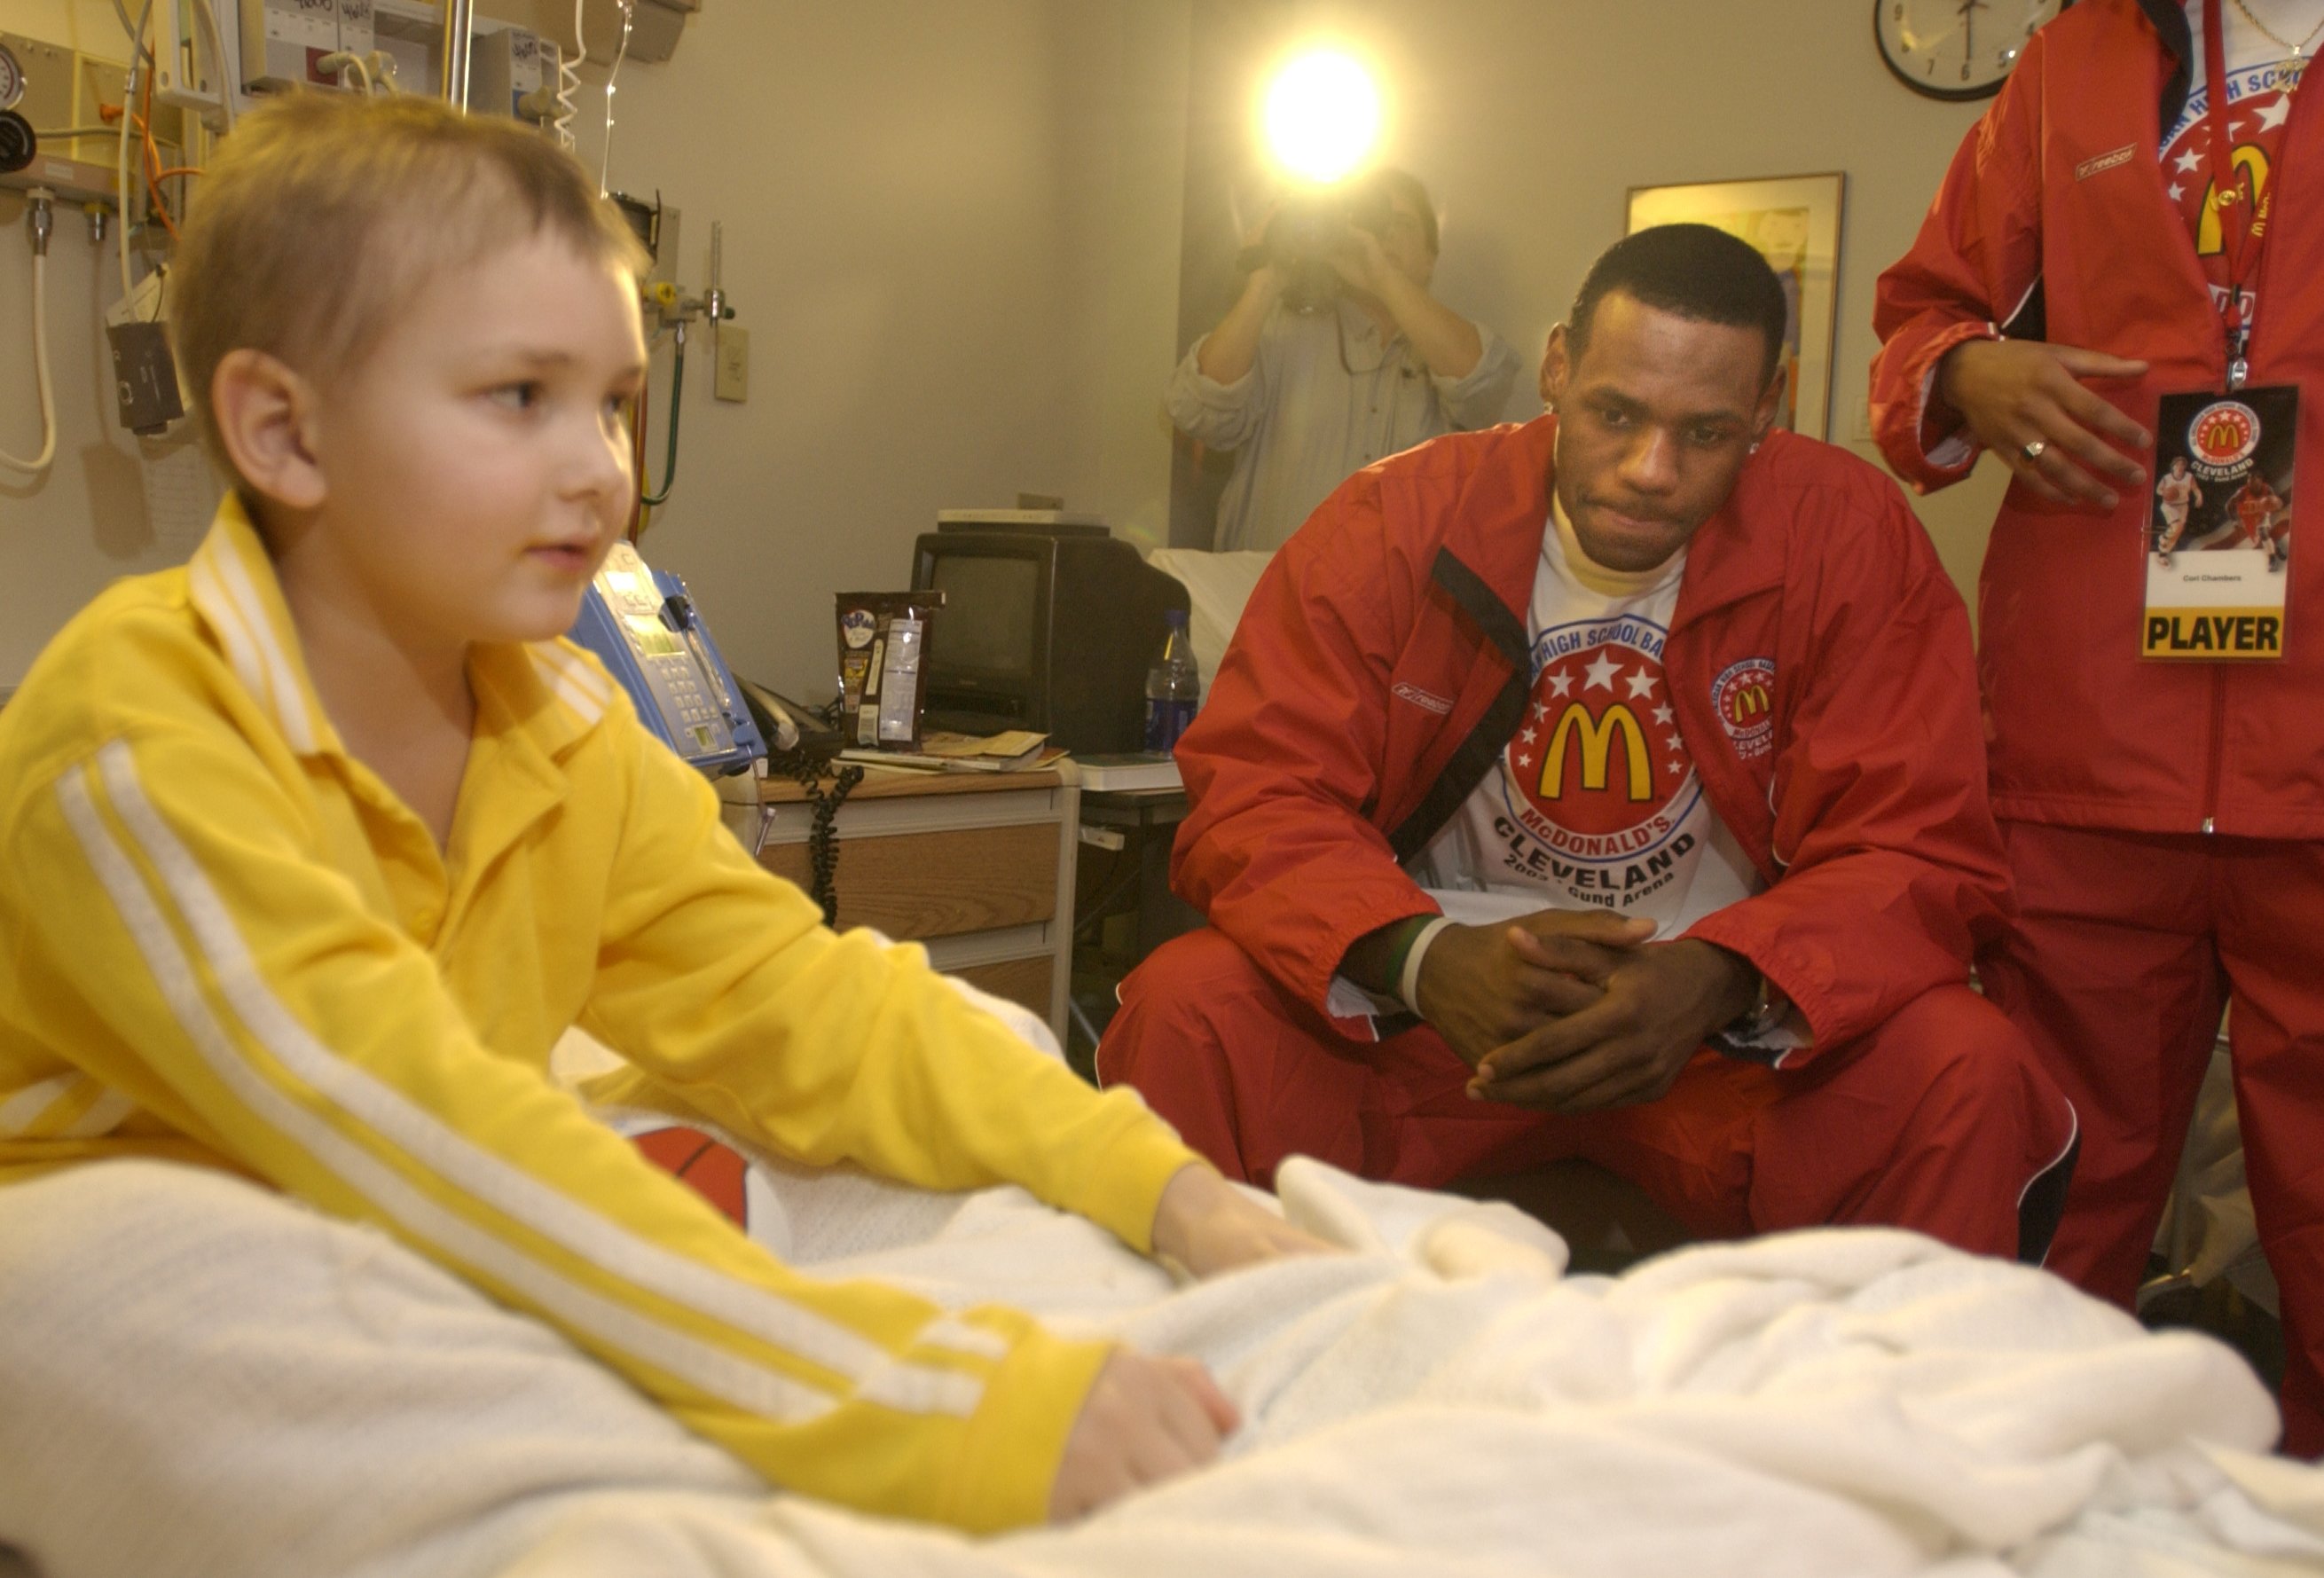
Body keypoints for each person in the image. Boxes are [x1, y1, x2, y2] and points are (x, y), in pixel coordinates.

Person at [0, 91, 1324, 1554]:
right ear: (282, 430)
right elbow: (424, 1136)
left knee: (983, 1061)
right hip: (110, 1210)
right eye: (521, 396)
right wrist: (937, 1406)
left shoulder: (563, 721)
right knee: (199, 1270)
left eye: (616, 401)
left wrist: (1171, 1190)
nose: (602, 470)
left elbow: (802, 999)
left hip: (404, 1192)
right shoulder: (134, 737)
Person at [1102, 224, 2078, 1265]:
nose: (1650, 470)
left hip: (1715, 1036)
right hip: (1433, 1018)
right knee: (1188, 1007)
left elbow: (1918, 846)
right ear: (1559, 368)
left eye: (1705, 434)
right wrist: (1419, 958)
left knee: (1963, 1065)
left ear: (1768, 407)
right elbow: (1256, 793)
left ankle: (1876, 1419)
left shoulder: (1844, 536)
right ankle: (1194, 1393)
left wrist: (1721, 977)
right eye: (1615, 413)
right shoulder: (1394, 517)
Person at [1871, 0, 2324, 1456]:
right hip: (2088, 733)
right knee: (2059, 1191)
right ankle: (2031, 1508)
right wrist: (1964, 371)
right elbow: (1920, 315)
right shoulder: (2076, 58)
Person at [1165, 166, 1522, 553]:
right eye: (1370, 219)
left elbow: (1484, 382)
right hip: (1271, 601)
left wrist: (1381, 276)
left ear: (1430, 259)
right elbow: (1196, 412)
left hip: (1404, 609)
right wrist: (1267, 277)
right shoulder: (1281, 330)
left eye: (1400, 222)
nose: (1383, 233)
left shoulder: (1448, 348)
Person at [2156, 453, 2202, 561]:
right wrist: (2166, 493)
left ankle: (2163, 554)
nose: (2180, 467)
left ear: (2184, 467)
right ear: (2173, 467)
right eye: (2177, 465)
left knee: (2178, 530)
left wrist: (2199, 497)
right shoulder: (2166, 478)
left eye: (2182, 465)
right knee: (2176, 526)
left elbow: (2195, 489)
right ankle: (2163, 538)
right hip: (2169, 506)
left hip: (2183, 506)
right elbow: (2158, 490)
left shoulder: (2189, 477)